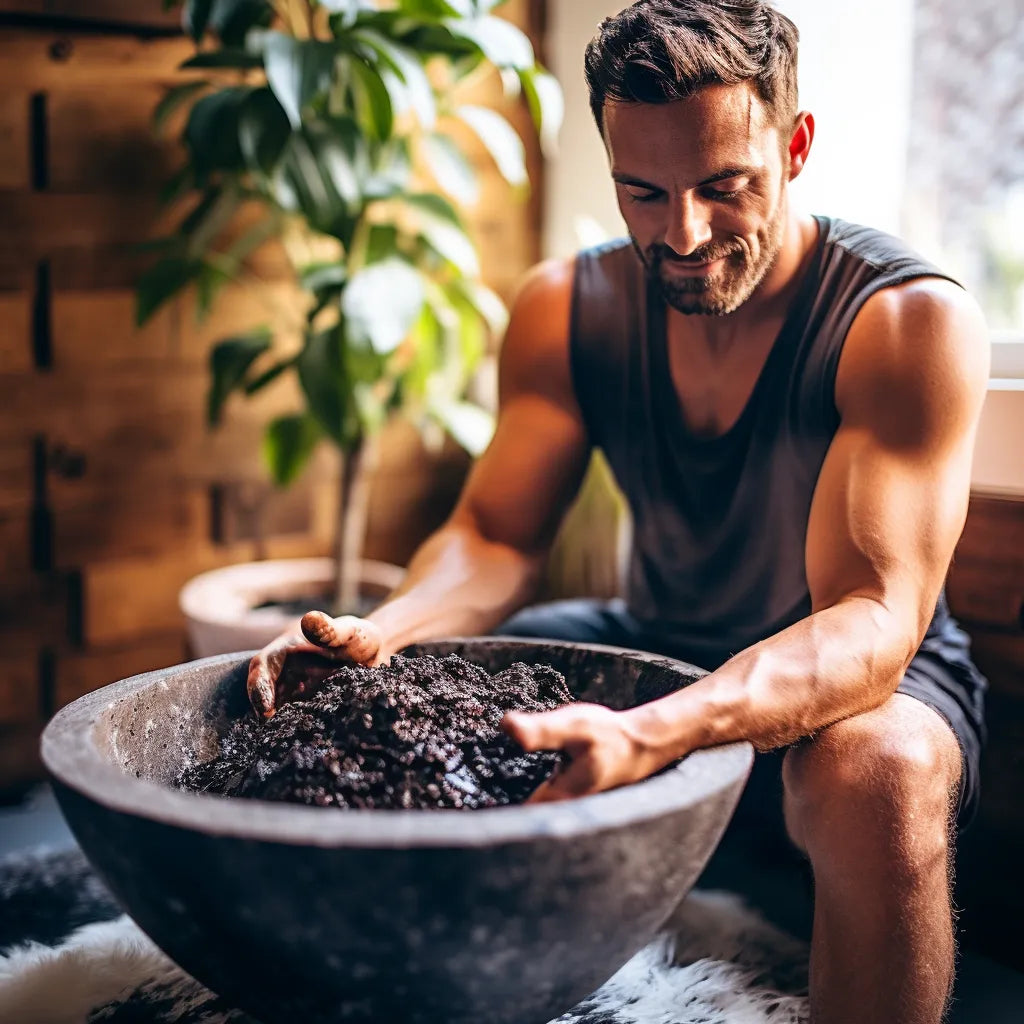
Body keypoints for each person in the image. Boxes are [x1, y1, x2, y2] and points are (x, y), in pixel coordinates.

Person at [248, 2, 990, 1021]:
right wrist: (384, 633)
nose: (682, 234)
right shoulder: (565, 306)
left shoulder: (903, 320)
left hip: (860, 681)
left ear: (798, 143)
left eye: (723, 188)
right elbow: (495, 540)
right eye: (641, 192)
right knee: (432, 683)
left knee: (877, 766)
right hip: (658, 641)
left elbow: (871, 620)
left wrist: (659, 729)